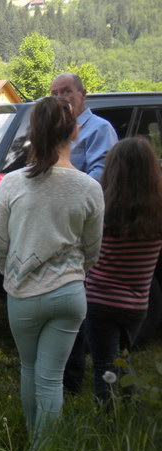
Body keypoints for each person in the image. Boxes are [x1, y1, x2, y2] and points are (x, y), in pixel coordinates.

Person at [0, 96, 104, 447]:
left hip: (23, 293)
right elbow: (92, 249)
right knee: (52, 378)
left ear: (32, 133)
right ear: (75, 132)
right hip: (70, 294)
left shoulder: (11, 183)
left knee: (29, 368)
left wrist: (13, 276)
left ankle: (32, 448)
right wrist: (72, 274)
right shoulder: (90, 187)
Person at [49, 72, 118, 394]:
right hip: (53, 227)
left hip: (78, 228)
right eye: (54, 93)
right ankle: (60, 373)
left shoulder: (99, 129)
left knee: (74, 298)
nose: (61, 98)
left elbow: (99, 179)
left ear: (83, 94)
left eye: (66, 92)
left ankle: (70, 379)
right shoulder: (51, 130)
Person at [85, 137, 162, 402]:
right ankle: (131, 411)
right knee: (120, 361)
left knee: (103, 366)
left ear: (113, 168)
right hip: (137, 306)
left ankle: (108, 417)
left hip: (99, 301)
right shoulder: (157, 214)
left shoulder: (103, 209)